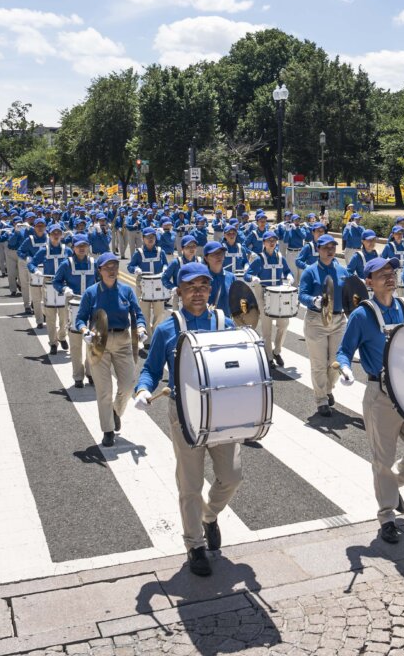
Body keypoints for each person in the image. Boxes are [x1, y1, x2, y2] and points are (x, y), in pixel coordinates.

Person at [134, 262, 239, 578]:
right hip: (184, 414)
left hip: (220, 412)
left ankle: (209, 517)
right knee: (190, 484)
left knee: (232, 476)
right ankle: (194, 545)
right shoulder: (167, 328)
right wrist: (142, 389)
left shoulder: (225, 322)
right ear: (179, 291)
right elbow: (152, 369)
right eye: (191, 287)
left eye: (204, 286)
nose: (198, 293)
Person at [336, 257, 404, 544]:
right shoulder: (361, 316)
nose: (389, 277)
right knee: (383, 459)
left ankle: (392, 486)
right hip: (381, 395)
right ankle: (387, 516)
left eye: (391, 272)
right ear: (368, 282)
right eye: (381, 274)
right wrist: (346, 369)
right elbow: (343, 351)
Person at [73, 253, 147, 449]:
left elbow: (138, 314)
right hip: (98, 341)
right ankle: (108, 430)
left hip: (122, 340)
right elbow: (79, 319)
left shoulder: (126, 291)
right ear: (100, 271)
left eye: (115, 266)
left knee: (129, 383)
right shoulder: (91, 292)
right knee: (104, 390)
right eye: (107, 267)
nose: (112, 269)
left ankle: (116, 411)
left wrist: (140, 328)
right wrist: (84, 331)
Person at [298, 234, 349, 417]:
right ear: (318, 249)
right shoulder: (310, 271)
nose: (330, 250)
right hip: (316, 321)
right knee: (319, 363)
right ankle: (321, 400)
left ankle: (328, 388)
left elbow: (350, 292)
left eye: (333, 247)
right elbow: (301, 294)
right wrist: (313, 300)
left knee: (336, 362)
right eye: (326, 247)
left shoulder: (342, 270)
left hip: (338, 320)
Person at [245, 230, 295, 368]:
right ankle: (268, 357)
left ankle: (277, 351)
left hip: (279, 295)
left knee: (284, 324)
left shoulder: (280, 258)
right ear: (264, 243)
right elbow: (247, 275)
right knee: (267, 329)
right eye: (269, 240)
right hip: (263, 295)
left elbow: (288, 271)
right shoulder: (259, 259)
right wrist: (253, 278)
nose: (272, 243)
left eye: (274, 240)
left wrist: (290, 276)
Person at [54, 235, 98, 388]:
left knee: (92, 342)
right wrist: (64, 288)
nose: (82, 248)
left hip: (93, 306)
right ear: (73, 247)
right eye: (79, 246)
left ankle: (91, 372)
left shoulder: (94, 263)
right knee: (75, 344)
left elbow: (103, 280)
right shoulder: (67, 264)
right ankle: (78, 376)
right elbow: (56, 281)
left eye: (84, 245)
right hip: (74, 305)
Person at [28, 224, 74, 352]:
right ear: (49, 235)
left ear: (61, 235)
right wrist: (35, 270)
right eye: (54, 233)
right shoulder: (44, 250)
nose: (56, 235)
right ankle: (53, 343)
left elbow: (74, 264)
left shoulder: (67, 250)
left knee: (64, 317)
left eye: (58, 232)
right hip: (48, 284)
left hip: (63, 286)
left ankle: (62, 337)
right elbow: (31, 263)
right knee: (50, 317)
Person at [128, 227, 170, 335]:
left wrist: (165, 268)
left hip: (158, 285)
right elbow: (130, 266)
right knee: (144, 312)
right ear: (143, 239)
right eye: (147, 237)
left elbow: (166, 264)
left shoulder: (161, 252)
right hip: (143, 285)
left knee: (159, 312)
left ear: (155, 238)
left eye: (152, 237)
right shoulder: (139, 253)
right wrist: (135, 269)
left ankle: (156, 333)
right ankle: (147, 338)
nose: (150, 239)